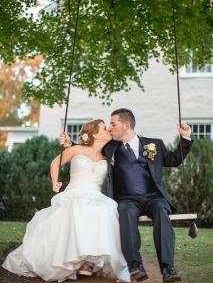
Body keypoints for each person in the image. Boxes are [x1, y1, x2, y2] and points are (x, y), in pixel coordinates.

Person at [61, 108, 192, 283]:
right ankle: (135, 266)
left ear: (126, 125)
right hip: (127, 199)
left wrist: (185, 138)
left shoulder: (154, 144)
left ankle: (168, 268)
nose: (110, 127)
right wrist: (71, 144)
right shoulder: (110, 147)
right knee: (125, 210)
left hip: (154, 197)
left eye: (113, 124)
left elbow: (175, 159)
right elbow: (90, 148)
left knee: (161, 211)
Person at [2, 119, 130, 283]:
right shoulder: (76, 149)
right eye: (104, 128)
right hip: (74, 193)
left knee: (106, 209)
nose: (108, 130)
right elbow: (55, 163)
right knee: (77, 208)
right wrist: (55, 181)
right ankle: (73, 261)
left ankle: (89, 261)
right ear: (95, 134)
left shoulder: (107, 155)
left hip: (96, 195)